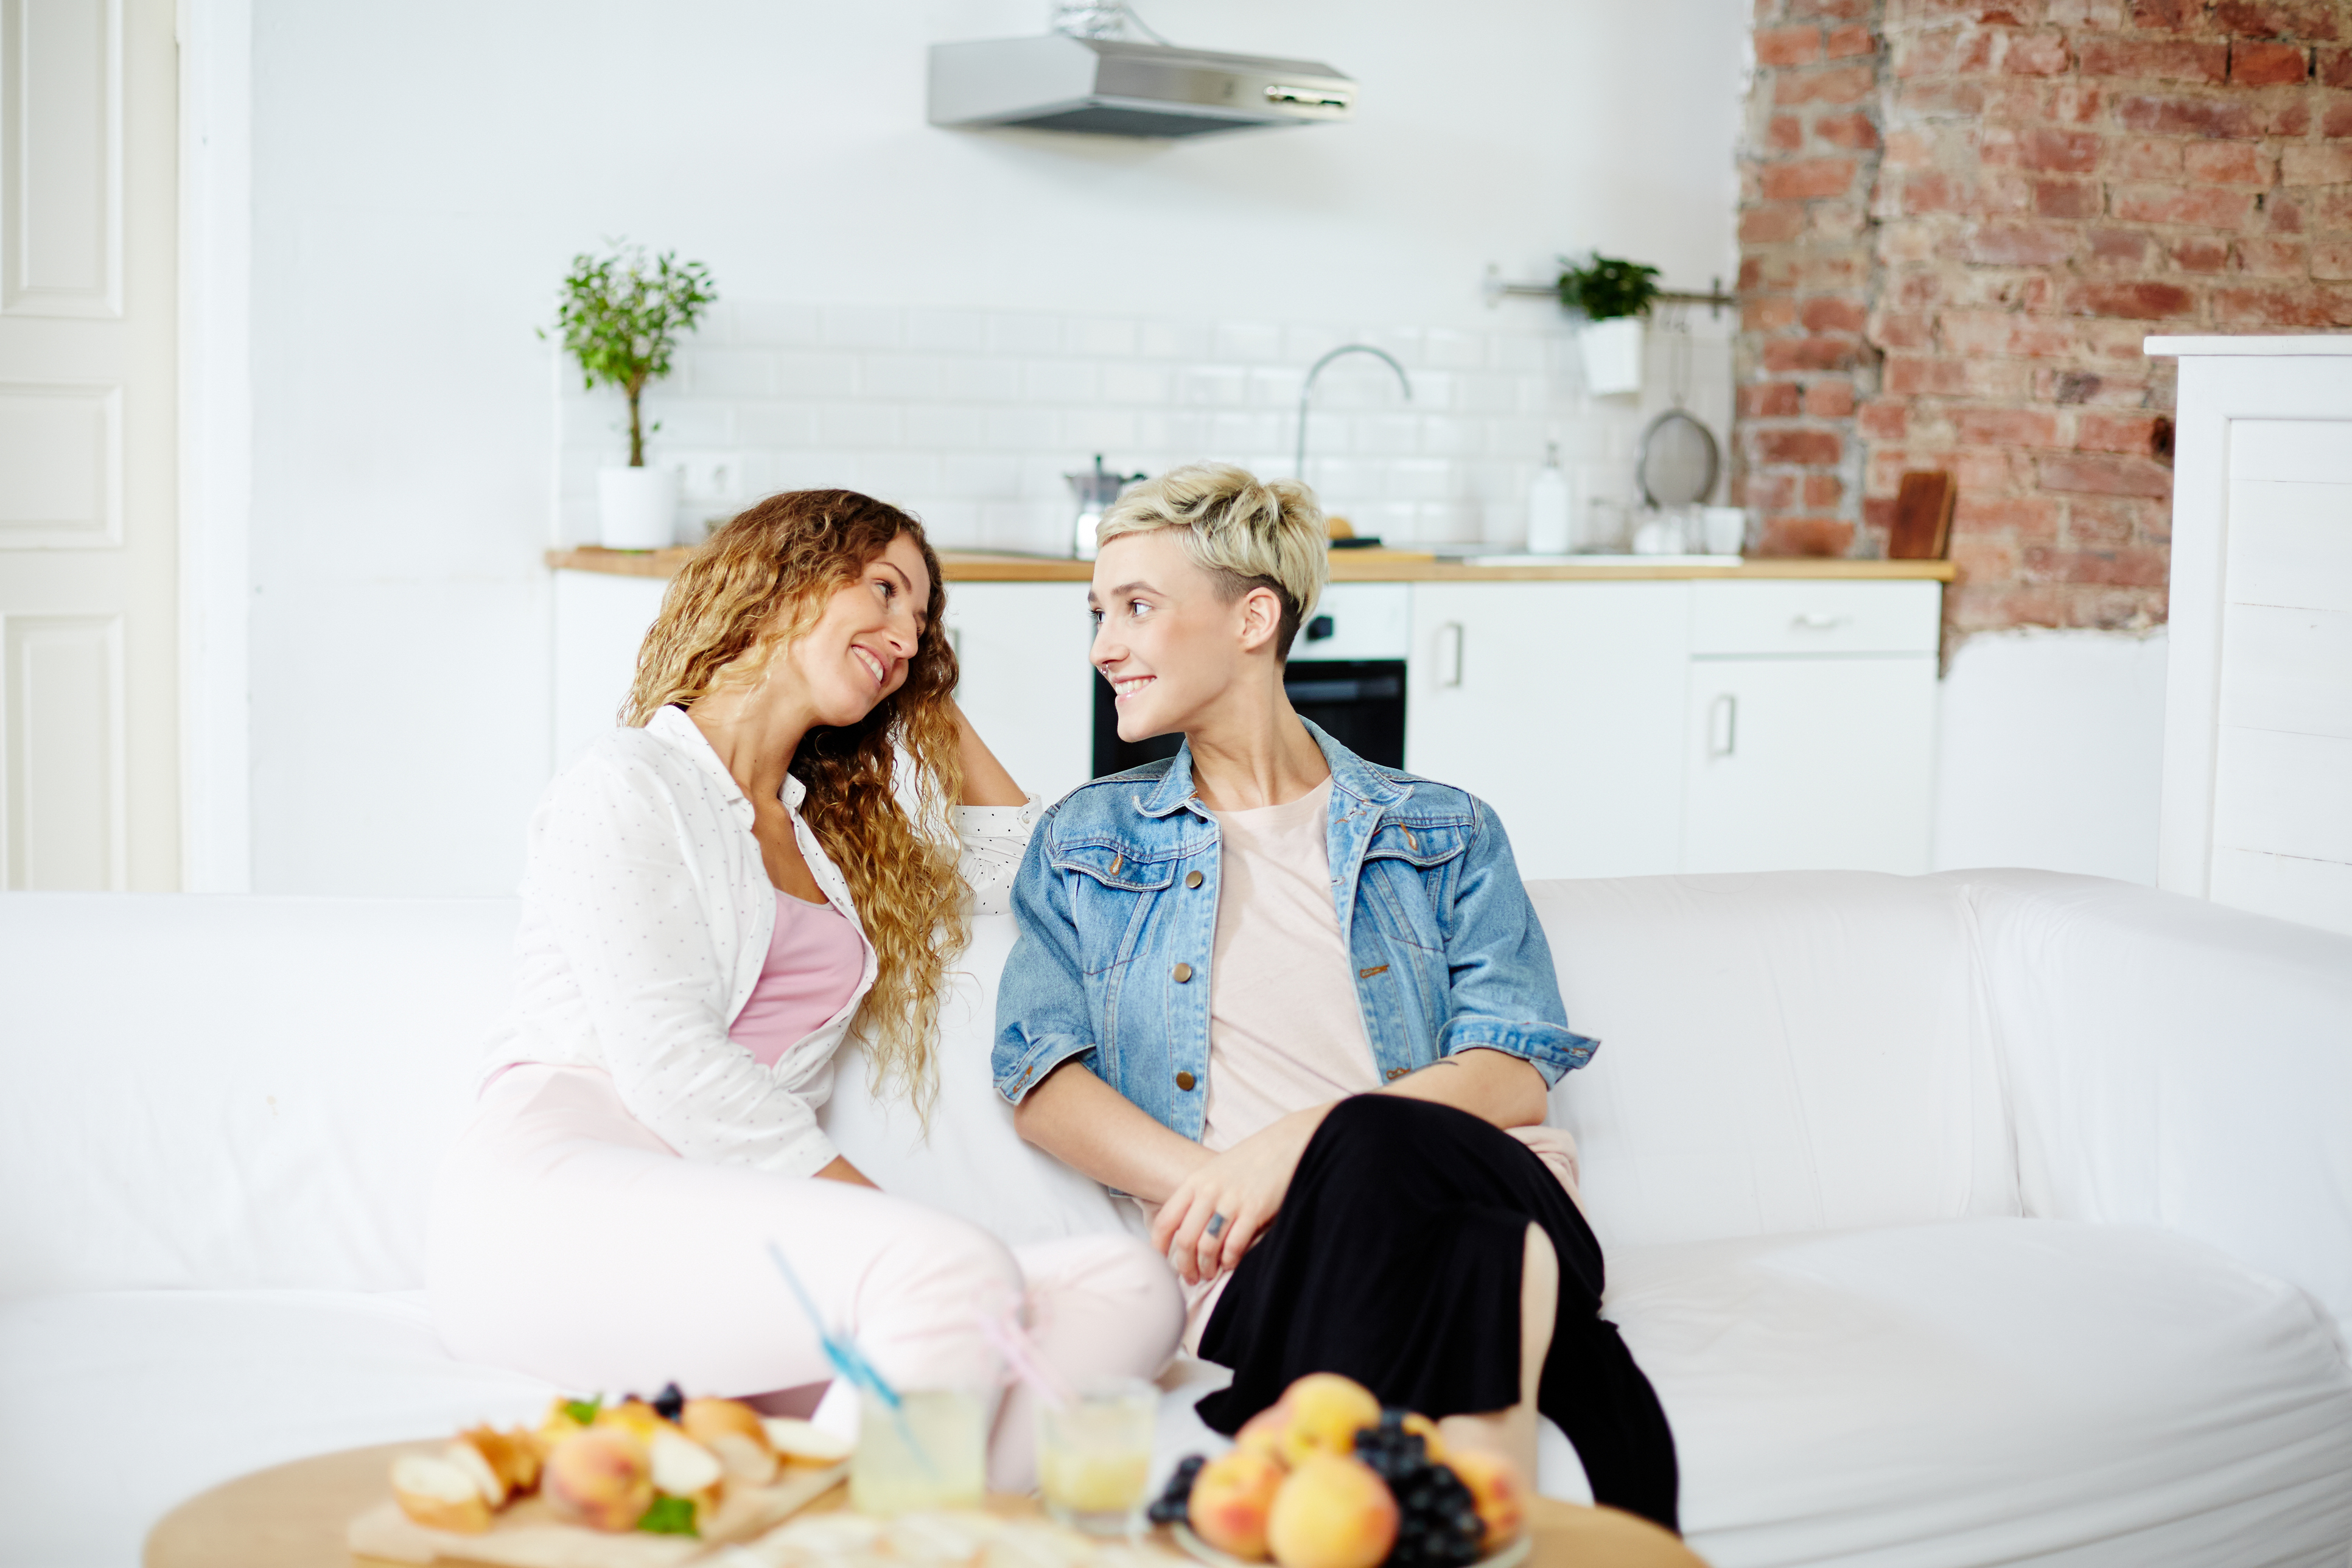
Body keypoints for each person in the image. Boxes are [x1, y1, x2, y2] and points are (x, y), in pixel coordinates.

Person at [430, 489, 1182, 1491]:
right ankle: (888, 1511)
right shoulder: (627, 782)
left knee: (1131, 1288)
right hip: (559, 1202)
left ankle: (846, 1494)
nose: (907, 633)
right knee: (955, 1272)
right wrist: (884, 1229)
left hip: (733, 1238)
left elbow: (1018, 872)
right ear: (778, 578)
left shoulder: (826, 852)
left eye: (921, 621)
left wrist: (917, 690)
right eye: (882, 589)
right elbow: (675, 1070)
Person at [992, 465, 1678, 1529]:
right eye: (1098, 613)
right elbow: (1039, 1077)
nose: (1103, 648)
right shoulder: (1087, 844)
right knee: (1479, 1256)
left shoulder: (1441, 827)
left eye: (1136, 607)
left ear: (1253, 617)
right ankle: (1511, 1511)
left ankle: (1277, 1471)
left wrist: (1305, 1141)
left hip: (1489, 1179)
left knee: (1375, 1147)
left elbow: (1511, 1071)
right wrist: (1228, 1187)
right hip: (1267, 1259)